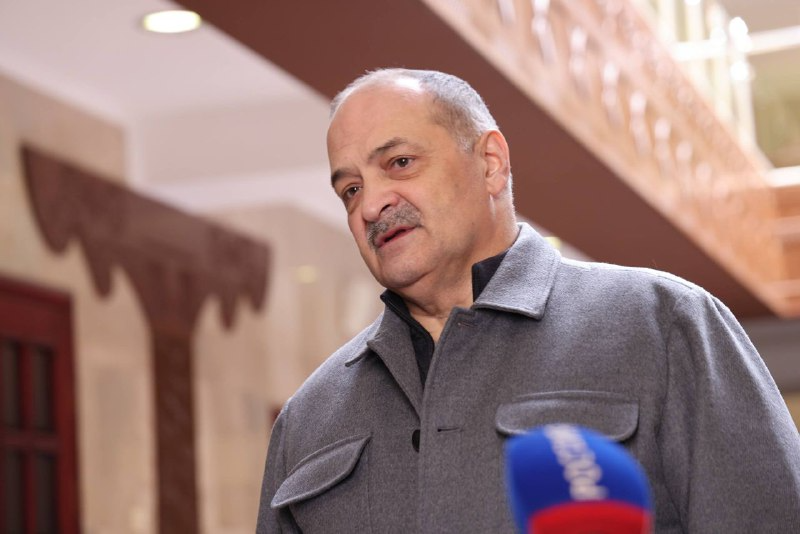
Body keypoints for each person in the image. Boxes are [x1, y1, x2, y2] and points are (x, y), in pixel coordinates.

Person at [257, 68, 800, 533]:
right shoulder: (307, 421)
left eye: (399, 163)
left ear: (491, 162)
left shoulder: (664, 325)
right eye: (350, 189)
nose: (372, 204)